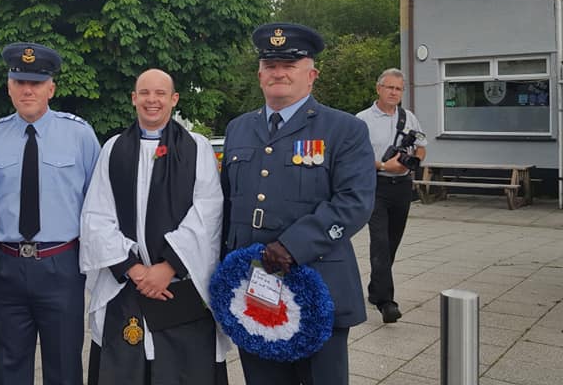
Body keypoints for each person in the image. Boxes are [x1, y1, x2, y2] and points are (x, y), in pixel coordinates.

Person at [221, 23, 375, 385]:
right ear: (260, 74)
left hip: (318, 286)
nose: (279, 73)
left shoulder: (344, 129)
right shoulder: (239, 129)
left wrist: (292, 246)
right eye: (270, 64)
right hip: (254, 290)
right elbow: (227, 204)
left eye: (289, 65)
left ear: (311, 74)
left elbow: (355, 202)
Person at [80, 69, 231, 384]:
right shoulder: (114, 149)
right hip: (127, 283)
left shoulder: (197, 148)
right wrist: (134, 269)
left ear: (174, 99)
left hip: (179, 284)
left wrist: (168, 266)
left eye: (161, 93)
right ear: (134, 99)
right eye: (145, 93)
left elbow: (208, 211)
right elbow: (96, 215)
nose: (152, 100)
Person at [0, 42, 100, 385]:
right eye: (19, 82)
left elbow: (97, 203)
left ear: (51, 88)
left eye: (36, 82)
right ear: (9, 87)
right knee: (8, 367)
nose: (27, 89)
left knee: (64, 367)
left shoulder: (80, 134)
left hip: (60, 264)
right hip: (6, 265)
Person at [356, 68, 426, 324]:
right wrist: (385, 166)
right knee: (380, 242)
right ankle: (387, 302)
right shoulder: (362, 120)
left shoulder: (409, 118)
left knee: (392, 242)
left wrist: (412, 163)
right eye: (390, 87)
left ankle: (376, 290)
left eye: (399, 89)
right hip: (375, 186)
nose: (394, 93)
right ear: (379, 88)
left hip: (402, 187)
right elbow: (357, 157)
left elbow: (421, 147)